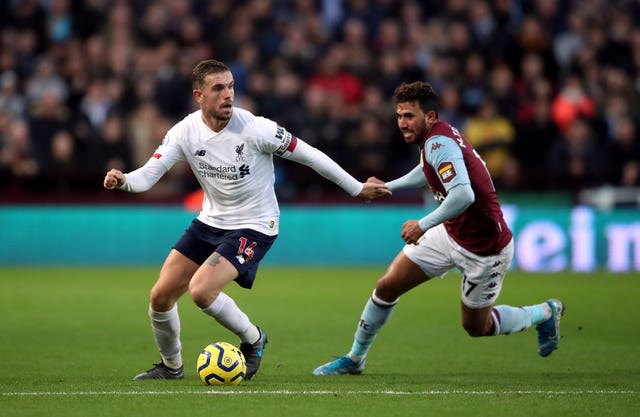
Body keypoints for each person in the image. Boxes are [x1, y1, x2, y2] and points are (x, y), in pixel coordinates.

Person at [103, 59, 390, 380]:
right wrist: (124, 180)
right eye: (218, 88)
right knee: (160, 296)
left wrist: (356, 188)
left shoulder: (256, 128)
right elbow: (148, 176)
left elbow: (310, 155)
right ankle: (172, 368)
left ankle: (254, 339)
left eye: (231, 87)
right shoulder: (184, 132)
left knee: (201, 291)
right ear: (199, 95)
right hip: (210, 221)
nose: (228, 95)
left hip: (255, 224)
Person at [312, 81, 564, 376]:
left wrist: (422, 224)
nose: (402, 123)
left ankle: (544, 312)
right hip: (450, 231)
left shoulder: (438, 142)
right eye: (399, 116)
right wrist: (386, 187)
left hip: (485, 249)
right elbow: (426, 170)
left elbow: (463, 195)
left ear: (430, 117)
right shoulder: (435, 139)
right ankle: (355, 358)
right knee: (387, 286)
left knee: (476, 327)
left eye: (409, 116)